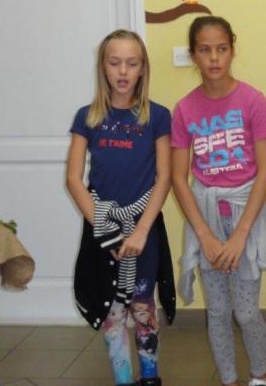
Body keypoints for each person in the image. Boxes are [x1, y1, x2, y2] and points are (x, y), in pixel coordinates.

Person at [171, 15, 266, 386]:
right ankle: (228, 379)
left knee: (246, 312)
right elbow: (178, 177)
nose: (214, 58)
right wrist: (204, 235)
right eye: (205, 50)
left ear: (232, 50)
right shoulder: (184, 109)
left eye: (221, 49)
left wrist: (240, 234)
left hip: (245, 218)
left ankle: (260, 376)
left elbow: (265, 172)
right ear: (194, 55)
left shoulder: (253, 101)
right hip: (205, 219)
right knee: (218, 311)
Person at [66, 29, 175, 386]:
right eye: (115, 63)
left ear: (143, 68)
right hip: (104, 230)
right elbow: (73, 179)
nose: (123, 71)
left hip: (143, 230)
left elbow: (164, 178)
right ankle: (124, 380)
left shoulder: (157, 116)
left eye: (132, 63)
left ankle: (150, 378)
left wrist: (141, 231)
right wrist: (105, 231)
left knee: (143, 308)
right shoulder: (87, 117)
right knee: (113, 313)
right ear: (103, 67)